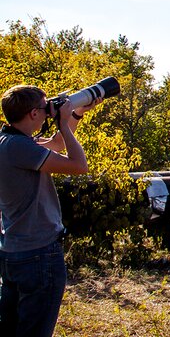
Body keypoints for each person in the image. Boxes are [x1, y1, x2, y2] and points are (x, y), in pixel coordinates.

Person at [0, 84, 101, 337]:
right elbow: (79, 165)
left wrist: (75, 115)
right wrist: (64, 124)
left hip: (14, 252)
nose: (48, 112)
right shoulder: (20, 148)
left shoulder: (10, 143)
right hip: (38, 254)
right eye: (45, 108)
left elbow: (56, 145)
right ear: (33, 114)